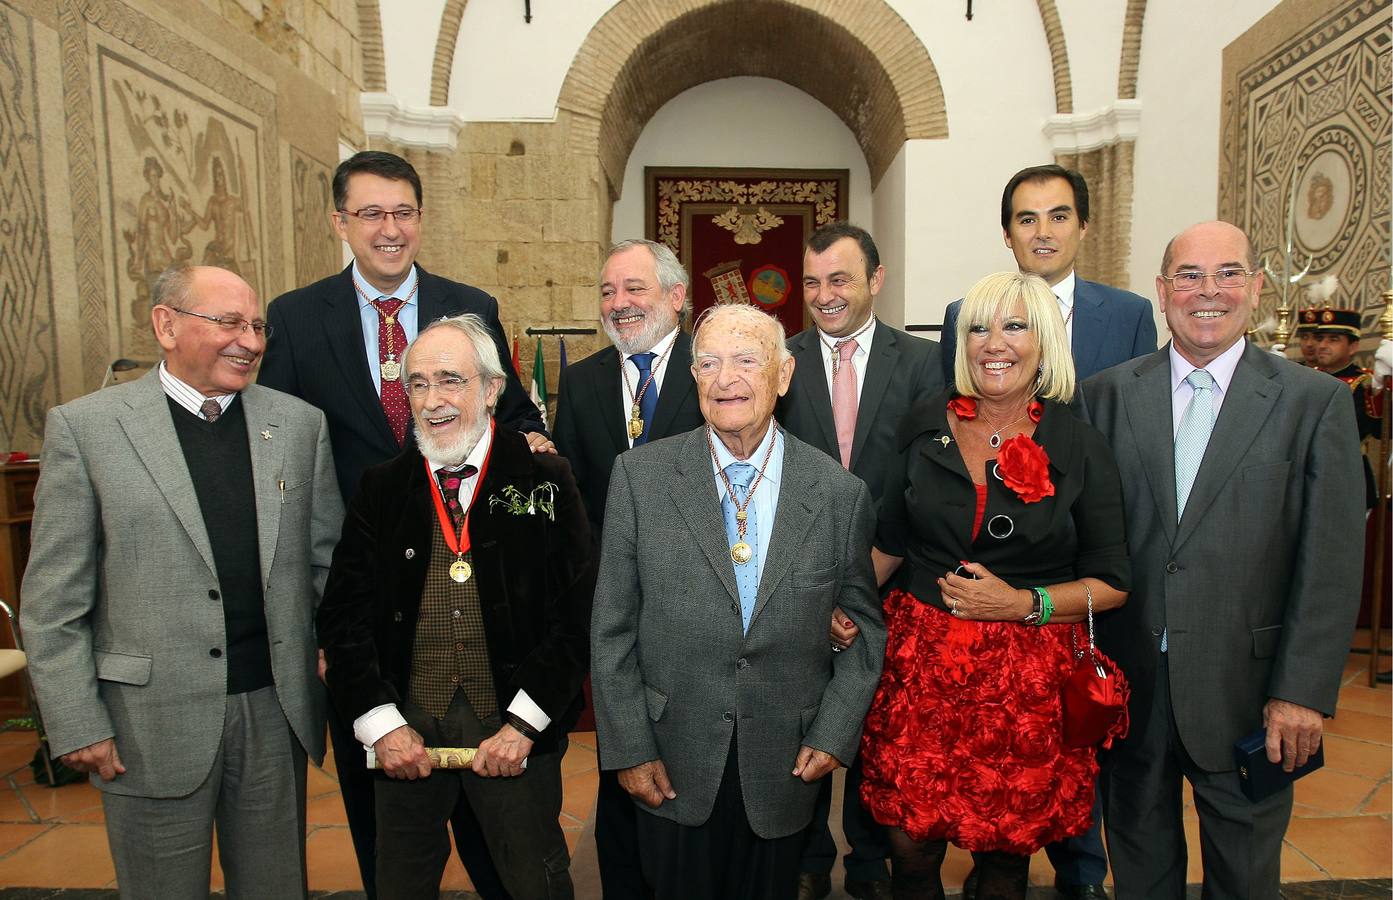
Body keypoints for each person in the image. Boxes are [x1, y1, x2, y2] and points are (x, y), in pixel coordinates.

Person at [258, 149, 543, 897]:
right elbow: (280, 461)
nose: (390, 230)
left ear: (421, 217)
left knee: (499, 835)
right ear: (340, 222)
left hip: (476, 599)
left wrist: (536, 442)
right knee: (389, 834)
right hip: (371, 610)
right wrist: (326, 625)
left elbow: (509, 415)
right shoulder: (294, 317)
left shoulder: (471, 301)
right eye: (372, 214)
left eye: (404, 212)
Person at [20, 265, 343, 897]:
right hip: (147, 720)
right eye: (228, 323)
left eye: (256, 326)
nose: (249, 340)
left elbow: (323, 564)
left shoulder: (300, 425)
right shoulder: (88, 430)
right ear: (166, 325)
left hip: (273, 710)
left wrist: (335, 654)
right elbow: (53, 601)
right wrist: (77, 719)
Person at [1083, 221, 1364, 899]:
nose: (1207, 291)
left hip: (1251, 697)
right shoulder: (1105, 397)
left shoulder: (1312, 403)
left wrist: (1299, 692)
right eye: (1187, 275)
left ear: (1256, 288)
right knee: (1140, 876)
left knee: (1243, 881)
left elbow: (1328, 564)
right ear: (1160, 290)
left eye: (1227, 273)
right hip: (1131, 693)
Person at [591, 303, 886, 900]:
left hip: (782, 763)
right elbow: (611, 628)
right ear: (693, 378)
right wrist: (628, 746)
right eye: (709, 363)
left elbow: (863, 632)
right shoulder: (639, 478)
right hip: (670, 753)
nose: (727, 379)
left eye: (747, 360)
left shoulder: (837, 494)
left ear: (782, 376)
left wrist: (832, 734)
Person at [861, 271, 1130, 900]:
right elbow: (889, 542)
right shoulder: (922, 423)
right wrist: (839, 606)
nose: (993, 343)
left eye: (1014, 326)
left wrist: (1021, 604)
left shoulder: (1080, 444)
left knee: (1007, 856)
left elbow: (1113, 584)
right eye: (978, 327)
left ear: (1046, 341)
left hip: (1026, 682)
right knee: (911, 843)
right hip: (921, 671)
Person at [317, 313, 594, 900]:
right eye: (417, 383)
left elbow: (578, 617)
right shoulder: (382, 488)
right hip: (405, 730)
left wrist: (524, 726)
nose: (432, 400)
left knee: (533, 880)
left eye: (450, 380)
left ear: (492, 389)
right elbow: (342, 620)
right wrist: (379, 726)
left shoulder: (546, 478)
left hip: (514, 731)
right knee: (400, 880)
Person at [940, 163, 1152, 899]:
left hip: (1076, 570)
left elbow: (1130, 432)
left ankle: (1082, 878)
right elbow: (957, 427)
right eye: (1026, 219)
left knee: (1076, 746)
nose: (1042, 231)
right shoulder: (965, 313)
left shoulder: (1124, 315)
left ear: (1082, 227)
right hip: (990, 583)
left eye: (1057, 216)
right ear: (1007, 232)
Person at [778, 222, 944, 900]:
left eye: (839, 279)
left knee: (881, 730)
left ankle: (868, 862)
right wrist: (820, 594)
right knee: (801, 717)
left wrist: (861, 585)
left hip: (896, 577)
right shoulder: (778, 360)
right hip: (798, 585)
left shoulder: (925, 363)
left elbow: (927, 478)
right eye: (813, 282)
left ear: (875, 280)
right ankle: (809, 858)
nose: (824, 295)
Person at [552, 238, 704, 899]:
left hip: (698, 608)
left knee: (693, 762)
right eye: (609, 292)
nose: (620, 303)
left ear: (675, 296)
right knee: (622, 754)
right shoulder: (582, 380)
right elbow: (574, 498)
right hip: (610, 608)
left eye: (634, 289)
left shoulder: (713, 368)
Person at [1311, 307, 1380, 507]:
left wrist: (1380, 391)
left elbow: (1377, 430)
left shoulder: (1362, 382)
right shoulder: (1304, 377)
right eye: (1320, 338)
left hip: (1345, 471)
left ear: (1352, 346)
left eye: (1333, 340)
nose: (1322, 345)